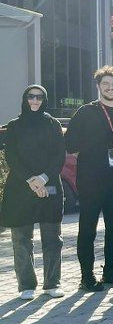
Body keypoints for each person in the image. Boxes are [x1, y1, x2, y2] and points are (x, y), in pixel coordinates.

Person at [65, 66, 113, 292]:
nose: (110, 88)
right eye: (106, 84)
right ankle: (87, 276)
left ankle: (110, 272)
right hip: (90, 180)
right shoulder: (85, 112)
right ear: (98, 86)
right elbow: (70, 145)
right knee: (87, 228)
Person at [1, 85, 66, 299]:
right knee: (21, 239)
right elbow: (11, 156)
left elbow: (59, 156)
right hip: (20, 188)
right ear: (25, 99)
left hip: (49, 186)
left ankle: (52, 283)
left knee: (52, 238)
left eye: (39, 97)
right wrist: (31, 180)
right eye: (31, 96)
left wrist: (43, 178)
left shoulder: (53, 124)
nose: (35, 100)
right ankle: (26, 285)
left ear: (45, 100)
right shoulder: (14, 126)